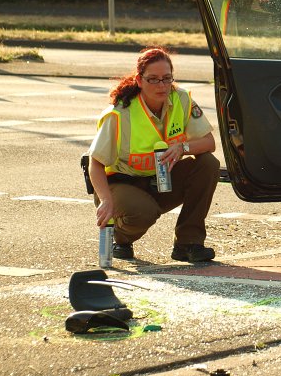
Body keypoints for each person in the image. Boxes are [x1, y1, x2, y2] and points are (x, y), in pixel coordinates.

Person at [87, 46, 220, 262]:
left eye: (167, 78)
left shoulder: (181, 99)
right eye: (153, 79)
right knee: (143, 211)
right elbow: (95, 163)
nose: (162, 85)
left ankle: (188, 244)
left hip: (160, 179)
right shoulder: (119, 114)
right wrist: (105, 200)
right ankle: (120, 238)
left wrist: (182, 147)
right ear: (139, 80)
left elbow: (208, 142)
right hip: (121, 185)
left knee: (207, 164)